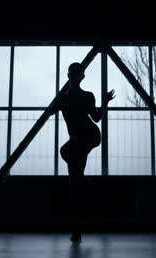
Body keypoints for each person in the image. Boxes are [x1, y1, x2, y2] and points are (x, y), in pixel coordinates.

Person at [49, 62, 115, 242]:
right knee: (75, 182)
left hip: (84, 139)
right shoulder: (83, 96)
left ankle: (77, 229)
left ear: (68, 76)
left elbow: (49, 112)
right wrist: (106, 102)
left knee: (70, 166)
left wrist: (105, 102)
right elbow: (96, 117)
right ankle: (76, 231)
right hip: (85, 139)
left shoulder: (64, 98)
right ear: (81, 77)